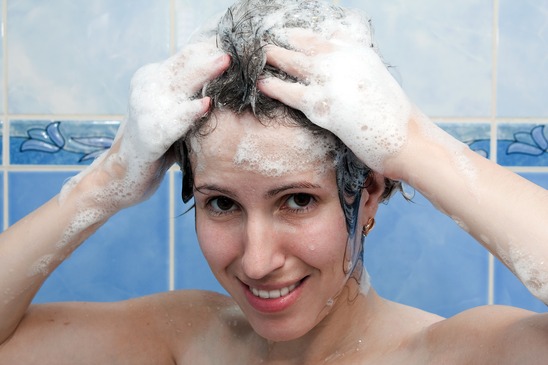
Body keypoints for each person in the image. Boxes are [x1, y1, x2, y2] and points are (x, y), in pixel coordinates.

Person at [1, 0, 547, 363]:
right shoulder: (182, 340)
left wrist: (411, 143)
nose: (257, 261)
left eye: (298, 200)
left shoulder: (454, 355)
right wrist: (108, 180)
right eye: (221, 204)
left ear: (372, 190)